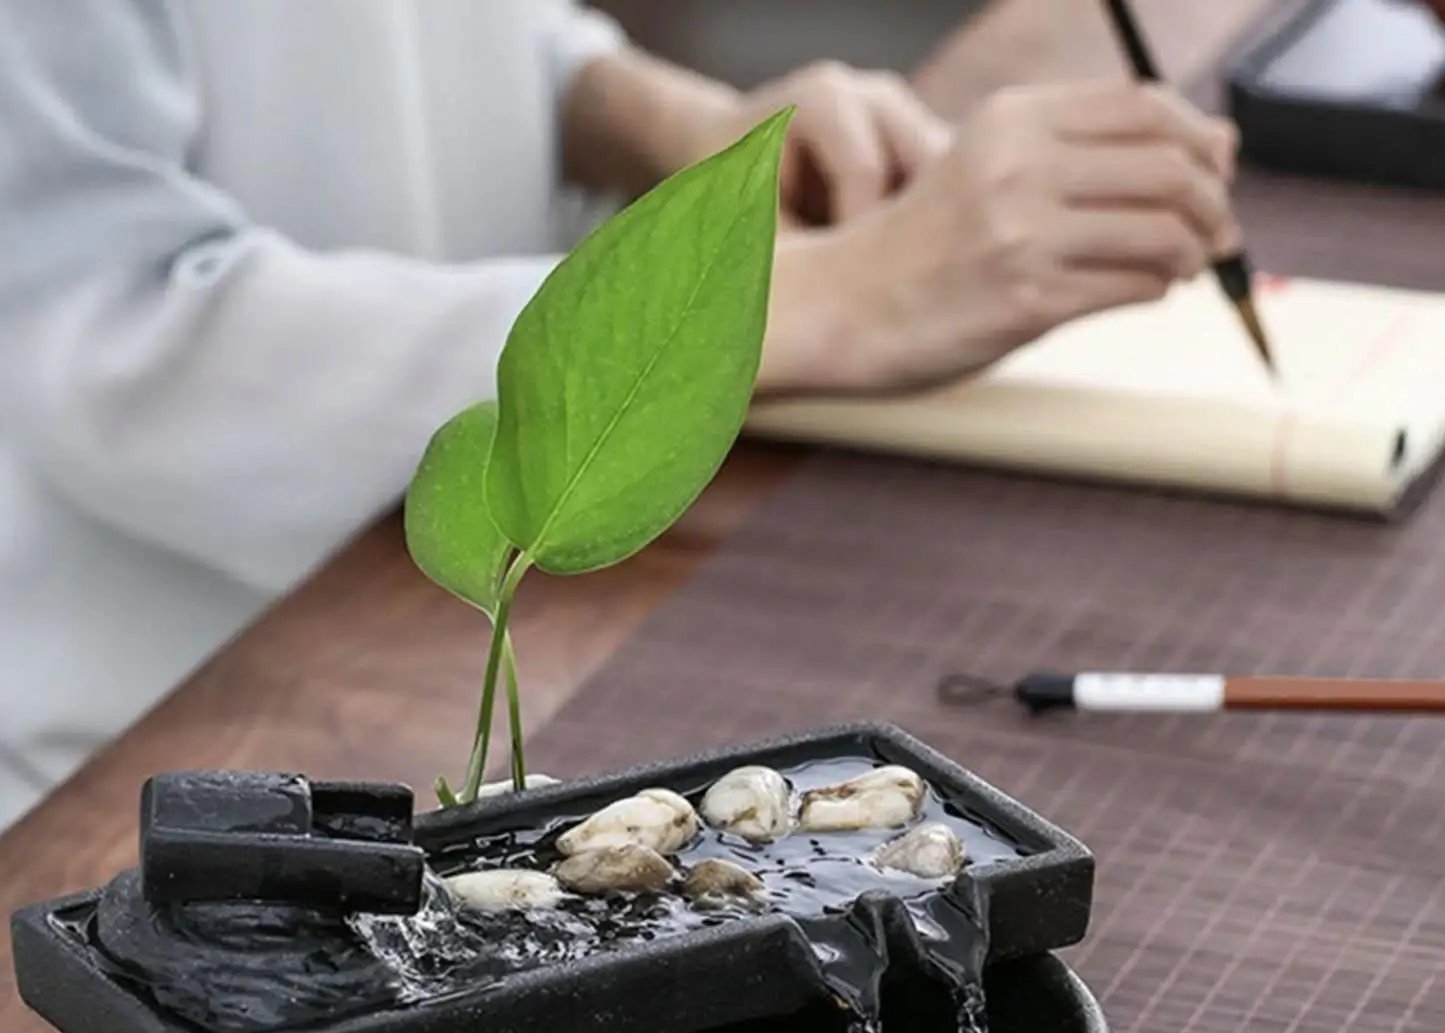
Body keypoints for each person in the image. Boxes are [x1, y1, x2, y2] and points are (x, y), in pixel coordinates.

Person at [0, 1, 1241, 828]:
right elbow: (105, 334)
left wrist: (675, 127)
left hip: (465, 650)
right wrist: (819, 297)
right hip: (159, 754)